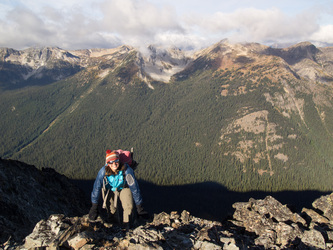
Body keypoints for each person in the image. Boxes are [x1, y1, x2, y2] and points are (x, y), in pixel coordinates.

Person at [88, 150, 148, 228]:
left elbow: (134, 188)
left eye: (116, 161)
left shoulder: (127, 170)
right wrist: (94, 207)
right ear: (107, 163)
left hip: (124, 187)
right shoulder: (103, 171)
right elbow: (97, 188)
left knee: (128, 207)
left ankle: (126, 226)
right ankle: (115, 226)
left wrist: (140, 207)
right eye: (111, 162)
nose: (114, 164)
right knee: (111, 209)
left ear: (119, 160)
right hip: (110, 189)